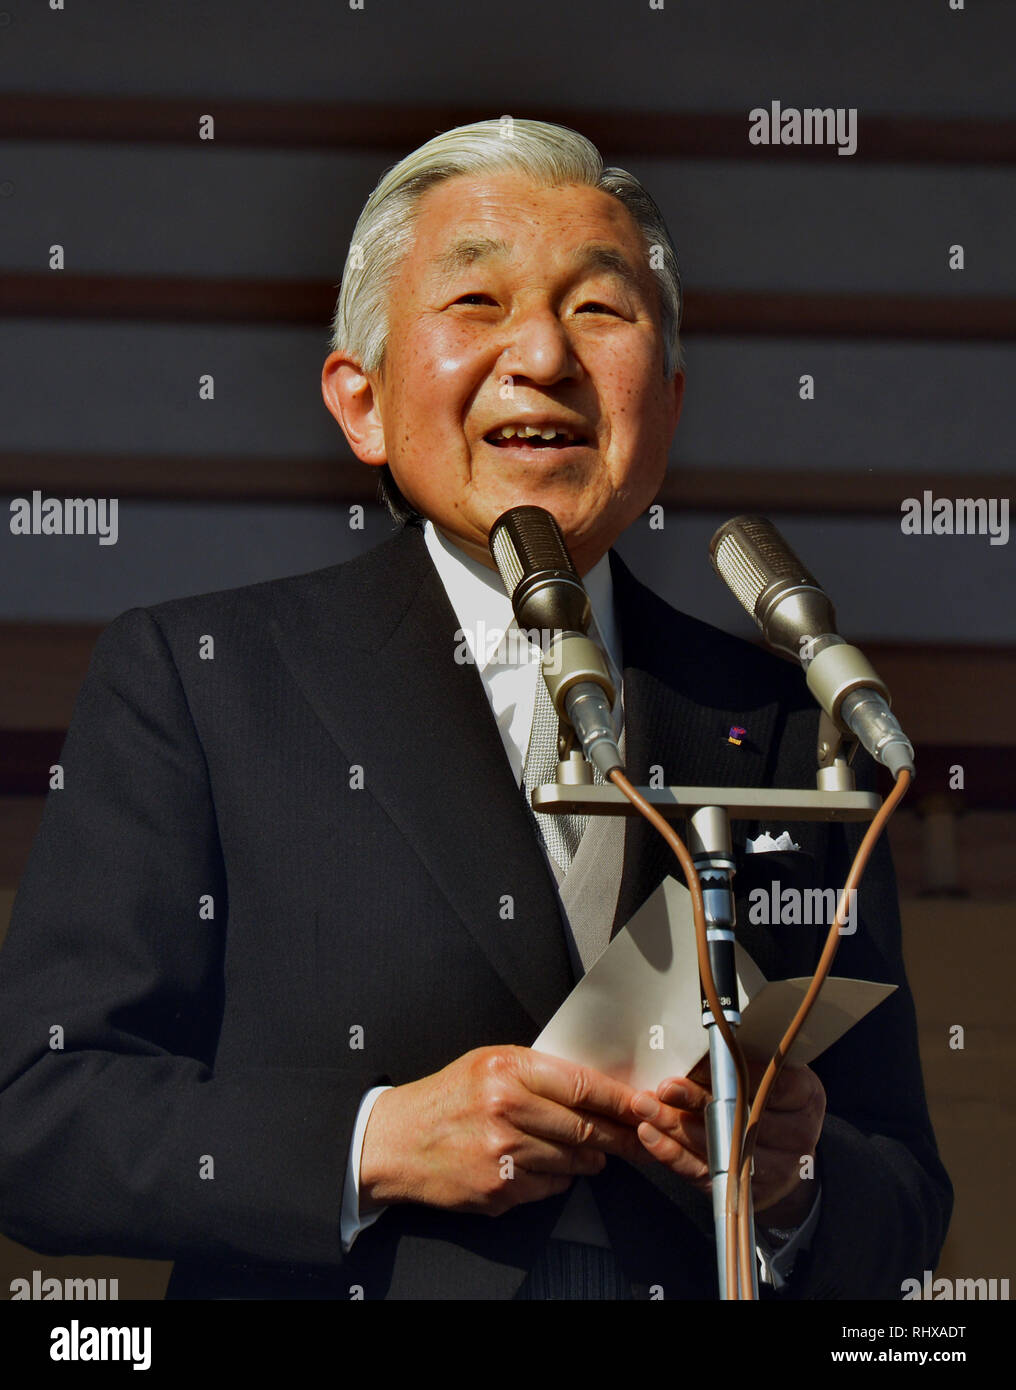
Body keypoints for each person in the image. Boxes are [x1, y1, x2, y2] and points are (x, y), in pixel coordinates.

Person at [0, 119, 951, 1300]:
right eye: (477, 303)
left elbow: (907, 1201)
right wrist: (371, 1143)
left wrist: (791, 1178)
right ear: (360, 402)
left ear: (667, 394)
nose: (542, 355)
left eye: (601, 310)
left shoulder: (777, 709)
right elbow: (38, 1119)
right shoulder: (204, 677)